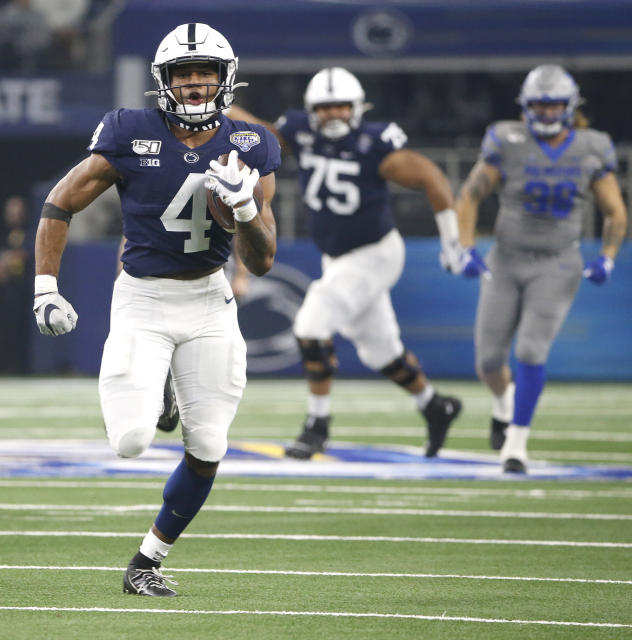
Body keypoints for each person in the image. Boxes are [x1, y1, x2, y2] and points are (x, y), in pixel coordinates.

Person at [32, 23, 279, 596]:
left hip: (209, 300)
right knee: (132, 441)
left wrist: (244, 208)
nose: (194, 84)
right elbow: (60, 200)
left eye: (205, 73)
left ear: (225, 78)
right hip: (143, 298)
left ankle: (147, 561)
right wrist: (46, 287)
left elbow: (262, 259)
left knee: (210, 445)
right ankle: (160, 385)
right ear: (164, 82)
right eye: (183, 74)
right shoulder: (126, 131)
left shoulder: (250, 144)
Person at [228, 67, 462, 460]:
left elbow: (432, 178)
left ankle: (317, 426)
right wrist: (226, 110)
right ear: (311, 110)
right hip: (338, 259)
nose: (334, 113)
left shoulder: (374, 143)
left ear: (357, 108)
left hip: (375, 252)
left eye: (341, 106)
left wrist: (452, 239)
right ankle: (435, 405)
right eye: (325, 107)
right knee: (381, 353)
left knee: (310, 325)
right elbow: (264, 134)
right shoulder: (301, 131)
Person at [447, 64, 627, 473]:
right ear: (526, 107)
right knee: (489, 361)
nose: (546, 114)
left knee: (530, 349)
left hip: (557, 262)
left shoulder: (592, 145)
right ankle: (503, 406)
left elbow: (615, 211)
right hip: (506, 259)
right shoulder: (506, 139)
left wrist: (608, 256)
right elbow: (470, 195)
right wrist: (467, 249)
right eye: (539, 105)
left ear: (569, 107)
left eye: (554, 106)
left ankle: (516, 443)